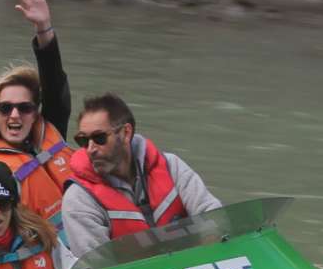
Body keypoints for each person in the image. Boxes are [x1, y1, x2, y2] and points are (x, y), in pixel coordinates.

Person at [0, 0, 75, 229]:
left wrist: (44, 28)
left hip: (85, 236)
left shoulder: (49, 130)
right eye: (6, 108)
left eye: (24, 108)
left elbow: (56, 86)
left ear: (36, 113)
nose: (14, 115)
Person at [62, 93, 222, 252]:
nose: (90, 149)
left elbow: (212, 214)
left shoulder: (172, 166)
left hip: (188, 268)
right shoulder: (79, 199)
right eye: (83, 140)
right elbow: (95, 268)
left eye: (99, 138)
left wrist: (211, 247)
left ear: (126, 133)